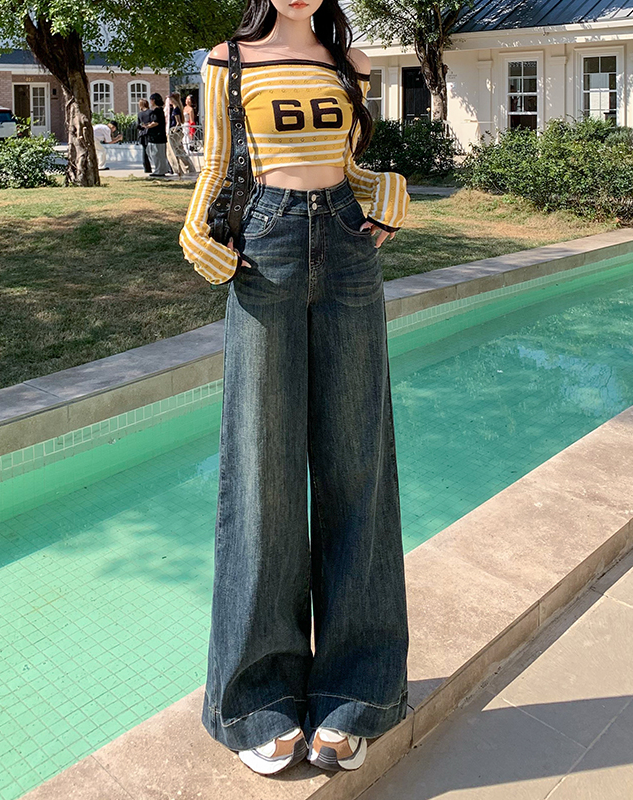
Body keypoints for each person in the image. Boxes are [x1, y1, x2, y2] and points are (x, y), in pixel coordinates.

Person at [178, 0, 409, 780]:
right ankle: (258, 698)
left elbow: (352, 165)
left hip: (347, 252)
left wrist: (387, 193)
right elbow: (218, 167)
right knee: (262, 473)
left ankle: (357, 692)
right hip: (266, 252)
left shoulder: (351, 64)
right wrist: (198, 234)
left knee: (357, 467)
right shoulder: (228, 61)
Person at [167, 92, 196, 176]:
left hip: (175, 133)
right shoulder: (179, 108)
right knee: (180, 151)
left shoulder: (176, 110)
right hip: (179, 131)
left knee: (173, 152)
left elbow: (178, 122)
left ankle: (177, 169)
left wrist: (173, 130)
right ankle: (188, 168)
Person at [143, 93, 170, 177]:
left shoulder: (156, 111)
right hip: (160, 136)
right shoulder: (160, 110)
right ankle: (162, 169)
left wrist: (147, 126)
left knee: (156, 154)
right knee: (160, 154)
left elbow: (156, 122)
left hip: (156, 136)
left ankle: (159, 170)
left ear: (153, 100)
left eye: (151, 100)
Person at [136, 98, 152, 174]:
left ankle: (147, 168)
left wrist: (142, 127)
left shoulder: (140, 114)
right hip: (150, 133)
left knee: (144, 151)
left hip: (143, 134)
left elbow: (138, 125)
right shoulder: (151, 112)